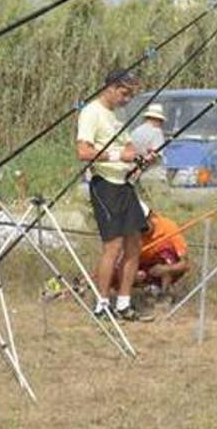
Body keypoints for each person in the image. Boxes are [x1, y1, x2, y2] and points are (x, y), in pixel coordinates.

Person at [76, 68, 158, 321]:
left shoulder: (116, 115)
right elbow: (83, 152)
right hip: (106, 185)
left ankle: (124, 304)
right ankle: (102, 304)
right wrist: (117, 156)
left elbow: (129, 146)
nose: (126, 100)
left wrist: (143, 158)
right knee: (113, 246)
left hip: (125, 184)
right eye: (124, 94)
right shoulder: (91, 113)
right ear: (111, 87)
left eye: (130, 96)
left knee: (134, 244)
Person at [136, 210, 190, 295]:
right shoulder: (130, 233)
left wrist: (165, 269)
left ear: (151, 218)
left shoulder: (168, 227)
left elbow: (185, 264)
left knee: (166, 252)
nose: (142, 232)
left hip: (164, 264)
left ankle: (164, 294)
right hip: (142, 268)